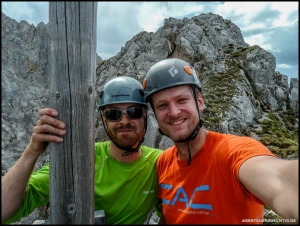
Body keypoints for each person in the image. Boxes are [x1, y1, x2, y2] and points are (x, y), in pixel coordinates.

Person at [142, 58, 299, 224]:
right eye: (162, 105)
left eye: (182, 100)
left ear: (200, 102)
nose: (173, 112)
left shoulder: (232, 152)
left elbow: (282, 179)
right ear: (155, 114)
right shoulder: (163, 163)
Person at [2, 76, 163, 225]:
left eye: (133, 112)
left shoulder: (160, 164)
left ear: (145, 116)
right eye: (114, 114)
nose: (124, 121)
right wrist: (32, 151)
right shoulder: (81, 160)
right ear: (104, 120)